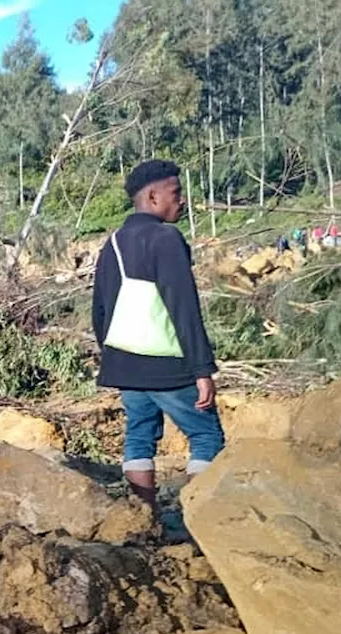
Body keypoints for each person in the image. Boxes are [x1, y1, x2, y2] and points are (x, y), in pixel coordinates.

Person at [91, 159, 225, 514]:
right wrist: (202, 370)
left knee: (139, 436)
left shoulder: (113, 243)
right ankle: (202, 521)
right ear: (152, 197)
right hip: (168, 364)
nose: (182, 201)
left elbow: (100, 311)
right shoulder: (166, 238)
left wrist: (115, 355)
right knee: (206, 435)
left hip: (125, 362)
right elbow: (183, 307)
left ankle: (143, 520)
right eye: (176, 193)